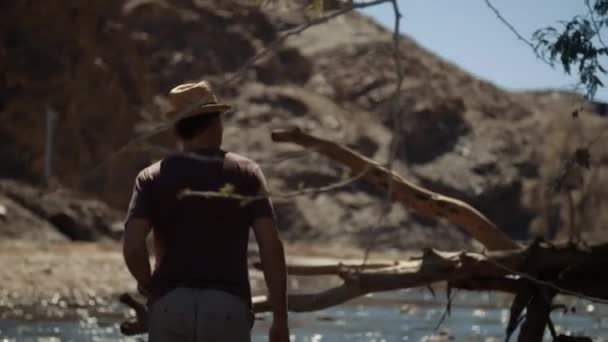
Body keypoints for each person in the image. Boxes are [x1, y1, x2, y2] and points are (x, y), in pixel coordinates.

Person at [122, 81, 289, 342]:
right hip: (227, 307)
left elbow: (133, 247)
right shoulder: (246, 173)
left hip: (169, 306)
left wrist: (149, 284)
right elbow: (270, 247)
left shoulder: (151, 177)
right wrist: (280, 318)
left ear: (178, 129)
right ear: (214, 124)